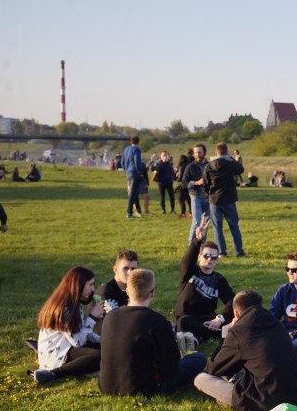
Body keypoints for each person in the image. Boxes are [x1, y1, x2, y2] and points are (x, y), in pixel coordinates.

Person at [194, 290, 297, 411]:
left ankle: (227, 400)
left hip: (263, 400)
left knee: (201, 379)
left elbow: (214, 368)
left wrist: (225, 336)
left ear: (236, 313)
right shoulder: (277, 323)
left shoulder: (239, 330)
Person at [99, 269, 207, 396]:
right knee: (198, 358)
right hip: (144, 388)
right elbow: (170, 367)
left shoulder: (111, 316)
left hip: (107, 385)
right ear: (153, 292)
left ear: (128, 292)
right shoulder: (158, 321)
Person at [32, 267, 103, 384]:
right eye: (90, 285)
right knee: (96, 357)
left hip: (66, 346)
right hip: (56, 354)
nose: (93, 289)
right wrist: (92, 318)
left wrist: (101, 340)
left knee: (101, 349)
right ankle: (52, 374)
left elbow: (81, 332)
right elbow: (78, 342)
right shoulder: (65, 308)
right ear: (78, 285)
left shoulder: (72, 303)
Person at [174, 216, 235, 344]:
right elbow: (186, 261)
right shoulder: (190, 272)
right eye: (206, 256)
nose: (209, 259)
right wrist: (197, 240)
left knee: (234, 324)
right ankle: (199, 337)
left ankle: (196, 337)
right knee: (184, 322)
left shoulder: (219, 280)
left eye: (213, 257)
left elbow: (232, 302)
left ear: (217, 261)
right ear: (199, 257)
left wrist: (219, 319)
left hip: (207, 319)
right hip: (186, 317)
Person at [204, 142, 245, 257]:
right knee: (234, 226)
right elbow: (240, 170)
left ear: (216, 152)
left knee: (217, 227)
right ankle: (238, 252)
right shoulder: (229, 163)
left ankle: (221, 252)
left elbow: (205, 182)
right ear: (226, 152)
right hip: (229, 199)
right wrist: (231, 158)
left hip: (214, 199)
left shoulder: (209, 165)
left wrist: (208, 195)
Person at [94, 249, 139, 333]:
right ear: (115, 269)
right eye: (125, 268)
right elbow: (113, 324)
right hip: (103, 341)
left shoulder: (134, 290)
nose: (129, 272)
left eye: (133, 269)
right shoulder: (106, 292)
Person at [182, 144, 209, 243]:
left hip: (208, 197)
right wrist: (196, 182)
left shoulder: (209, 166)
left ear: (204, 153)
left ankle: (201, 246)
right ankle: (191, 245)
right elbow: (184, 183)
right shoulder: (190, 167)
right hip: (195, 196)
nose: (197, 154)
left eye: (200, 152)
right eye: (196, 152)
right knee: (197, 222)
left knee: (205, 223)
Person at [123, 135, 145, 219]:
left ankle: (139, 211)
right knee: (132, 193)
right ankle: (129, 213)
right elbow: (137, 162)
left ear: (130, 141)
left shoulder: (126, 149)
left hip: (128, 172)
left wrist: (126, 169)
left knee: (135, 192)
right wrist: (140, 172)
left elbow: (123, 161)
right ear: (138, 142)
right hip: (135, 173)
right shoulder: (136, 149)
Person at [174, 151, 193, 219]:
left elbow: (181, 177)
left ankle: (183, 213)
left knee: (181, 199)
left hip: (183, 185)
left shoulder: (182, 166)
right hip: (190, 184)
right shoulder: (190, 165)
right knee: (189, 200)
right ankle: (191, 213)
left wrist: (176, 178)